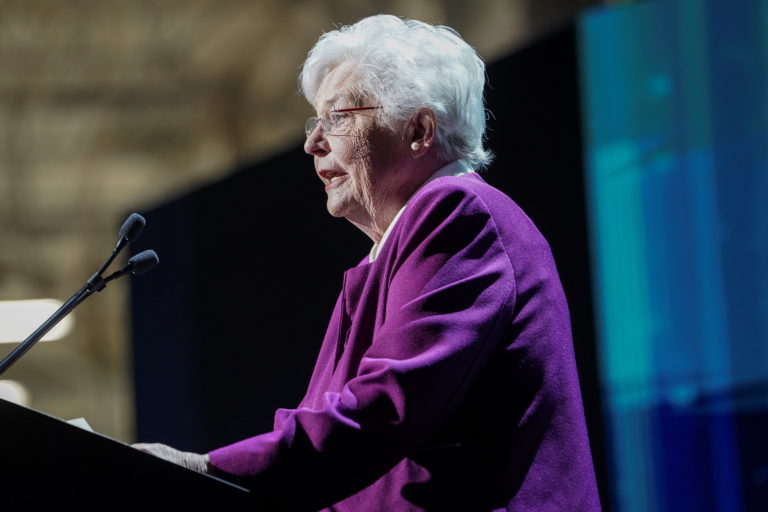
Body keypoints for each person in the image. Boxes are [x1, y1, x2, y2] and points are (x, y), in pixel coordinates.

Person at [134, 14, 601, 511]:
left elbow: (384, 408)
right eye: (315, 121)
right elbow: (331, 443)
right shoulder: (391, 251)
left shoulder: (460, 214)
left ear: (419, 130)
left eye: (338, 117)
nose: (312, 143)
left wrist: (206, 471)